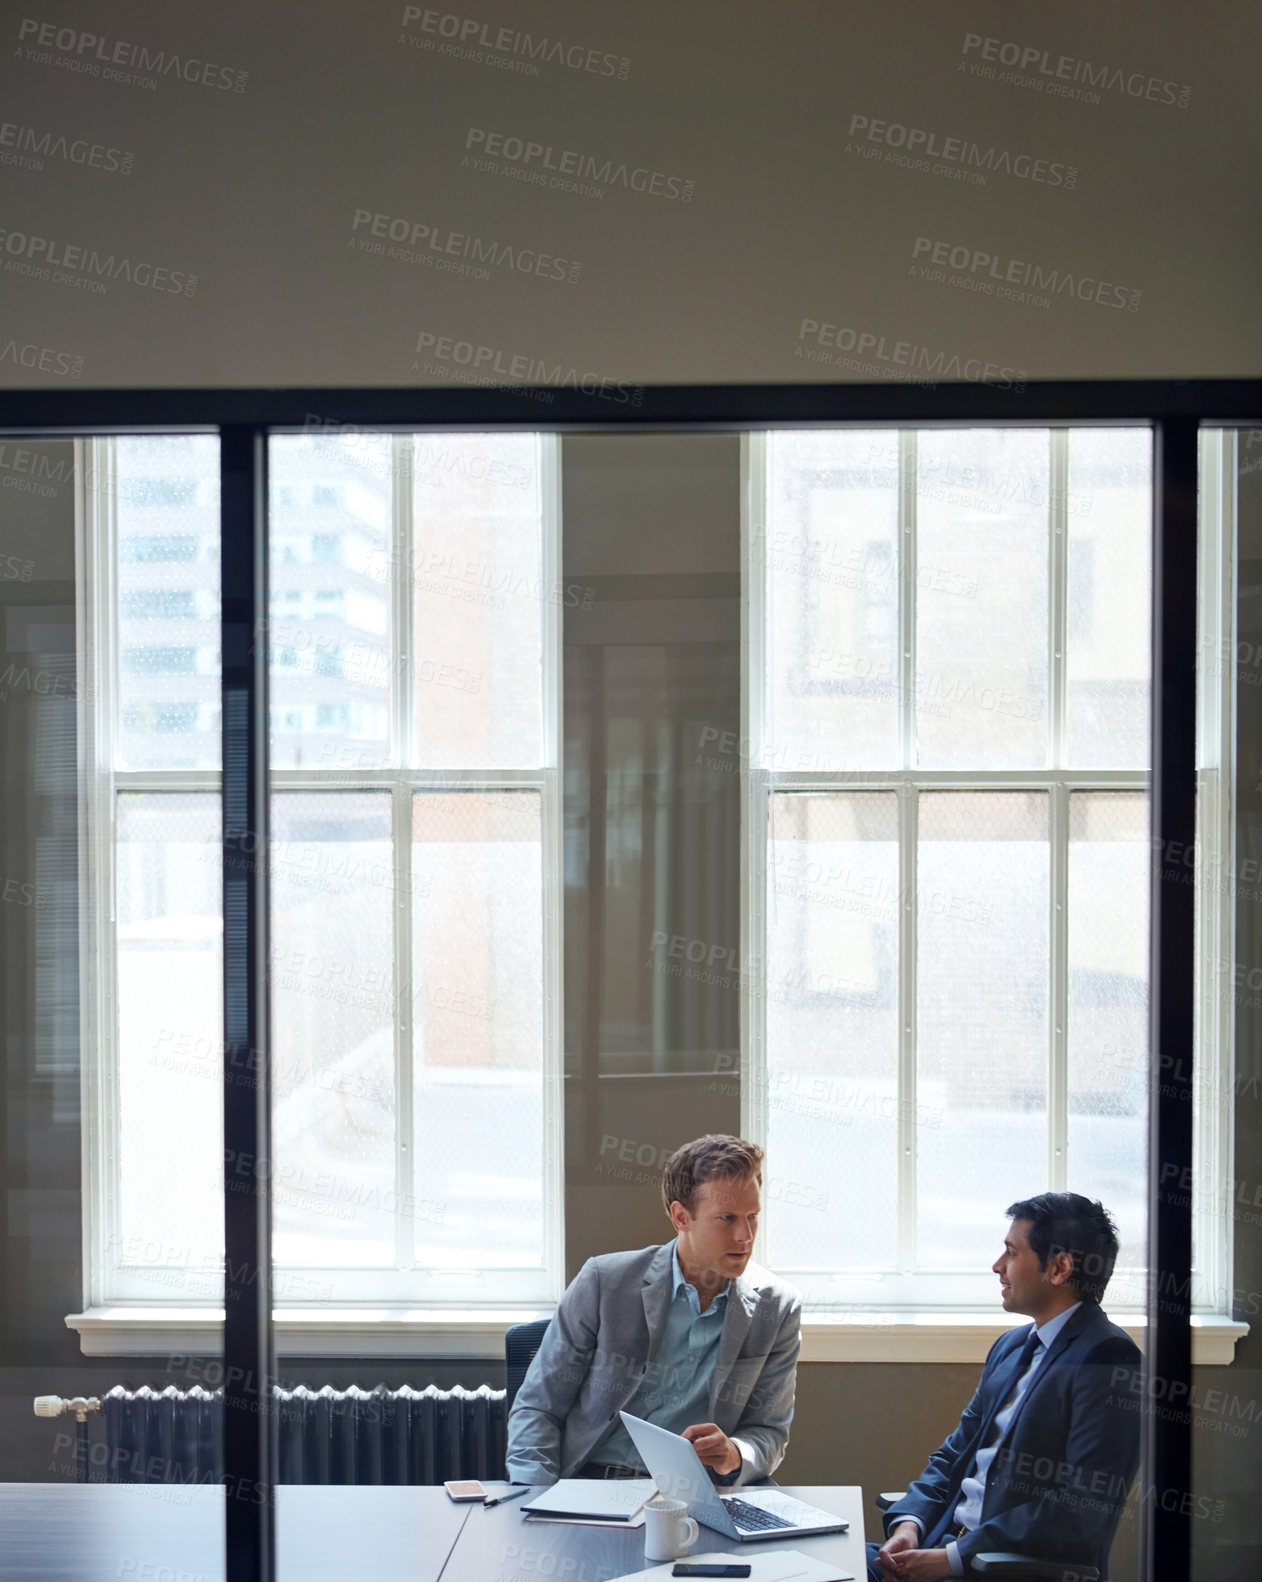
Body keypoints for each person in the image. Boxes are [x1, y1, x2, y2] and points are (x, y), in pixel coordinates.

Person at [869, 1193, 1141, 1581]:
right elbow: (953, 1456)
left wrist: (953, 1557)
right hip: (937, 1548)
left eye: (1012, 1253)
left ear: (1060, 1268)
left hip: (996, 1571)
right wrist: (910, 1524)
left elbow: (1080, 1510)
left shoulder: (1109, 1358)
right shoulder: (1011, 1346)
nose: (998, 1266)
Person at [506, 1133, 802, 1487]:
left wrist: (734, 1453)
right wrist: (534, 1498)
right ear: (681, 1216)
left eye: (752, 1216)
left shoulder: (777, 1306)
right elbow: (539, 1408)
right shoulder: (604, 1282)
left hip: (700, 1493)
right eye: (726, 1218)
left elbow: (768, 1432)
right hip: (593, 1484)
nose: (745, 1235)